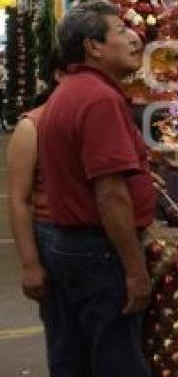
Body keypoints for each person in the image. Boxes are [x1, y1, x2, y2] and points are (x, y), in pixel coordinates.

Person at [38, 1, 154, 376]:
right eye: (122, 31)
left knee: (75, 356)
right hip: (99, 252)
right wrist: (135, 270)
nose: (135, 38)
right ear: (94, 47)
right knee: (117, 358)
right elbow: (110, 194)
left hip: (72, 247)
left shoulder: (68, 92)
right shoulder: (100, 99)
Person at [7, 51, 64, 351]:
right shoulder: (33, 126)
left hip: (102, 246)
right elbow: (19, 199)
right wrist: (30, 264)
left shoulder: (107, 113)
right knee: (66, 340)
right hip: (57, 241)